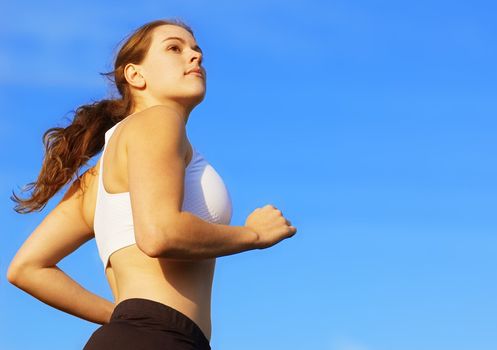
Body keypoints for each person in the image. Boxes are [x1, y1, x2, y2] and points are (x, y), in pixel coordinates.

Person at [6, 18, 297, 349]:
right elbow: (159, 233)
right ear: (135, 75)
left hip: (139, 335)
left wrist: (120, 317)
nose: (195, 56)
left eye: (196, 50)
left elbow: (27, 268)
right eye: (175, 48)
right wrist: (253, 234)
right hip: (158, 337)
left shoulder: (98, 175)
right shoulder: (159, 119)